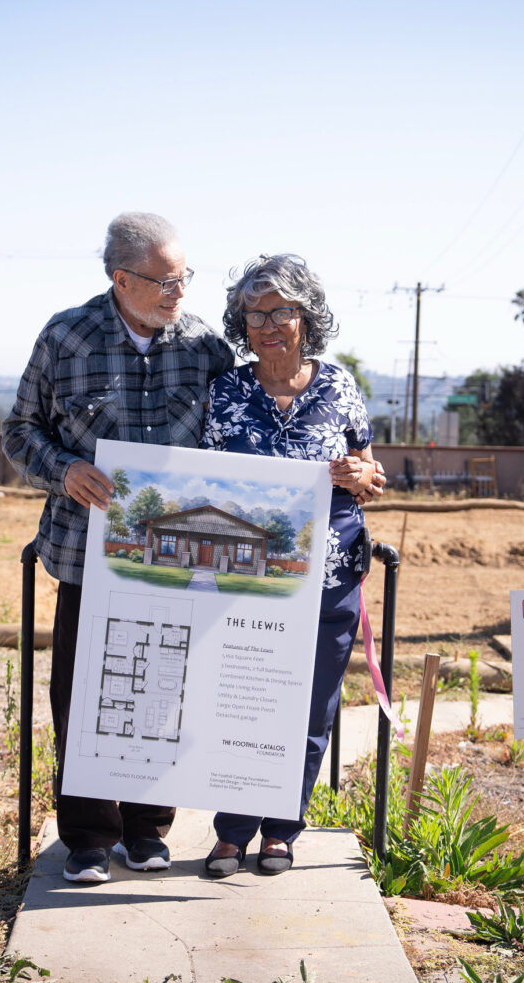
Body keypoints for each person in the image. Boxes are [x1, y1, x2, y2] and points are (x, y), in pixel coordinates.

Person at [2, 212, 234, 884]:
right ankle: (87, 838)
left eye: (184, 277)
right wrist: (64, 470)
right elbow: (20, 431)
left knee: (164, 691)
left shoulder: (203, 346)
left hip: (178, 558)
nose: (178, 293)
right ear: (120, 279)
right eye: (164, 281)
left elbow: (243, 431)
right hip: (86, 553)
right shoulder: (66, 336)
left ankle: (147, 829)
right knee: (82, 695)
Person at [200, 253, 382, 877]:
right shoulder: (225, 391)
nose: (269, 325)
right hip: (243, 584)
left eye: (283, 312)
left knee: (309, 709)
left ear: (307, 318)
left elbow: (370, 468)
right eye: (256, 314)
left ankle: (281, 829)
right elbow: (200, 482)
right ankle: (230, 832)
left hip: (328, 582)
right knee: (240, 706)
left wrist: (361, 474)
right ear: (241, 322)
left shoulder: (338, 386)